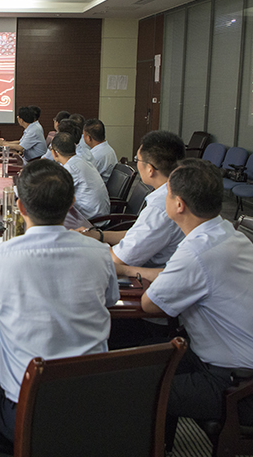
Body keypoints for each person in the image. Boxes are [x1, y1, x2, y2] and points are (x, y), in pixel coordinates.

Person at [117, 159, 253, 427]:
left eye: (167, 193)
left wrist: (129, 271)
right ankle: (160, 443)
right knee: (144, 354)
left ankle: (150, 444)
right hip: (248, 369)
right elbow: (180, 276)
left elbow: (150, 304)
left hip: (246, 389)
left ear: (179, 204)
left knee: (125, 387)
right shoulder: (223, 232)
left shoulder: (197, 251)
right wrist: (129, 270)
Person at [0, 159, 119, 443]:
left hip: (29, 411)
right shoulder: (100, 253)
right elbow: (111, 300)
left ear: (21, 207)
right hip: (94, 404)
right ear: (72, 203)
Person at [77, 130, 186, 348]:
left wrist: (78, 245)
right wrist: (98, 235)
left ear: (150, 169)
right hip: (153, 281)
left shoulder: (161, 206)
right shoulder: (172, 193)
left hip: (153, 305)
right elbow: (137, 234)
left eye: (138, 160)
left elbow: (118, 260)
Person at [49, 132, 110, 219]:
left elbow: (55, 195)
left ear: (55, 153)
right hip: (100, 214)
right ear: (75, 147)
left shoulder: (70, 168)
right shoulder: (82, 161)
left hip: (91, 220)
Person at [83, 119, 118, 183]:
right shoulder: (108, 149)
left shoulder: (94, 156)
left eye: (83, 135)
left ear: (89, 138)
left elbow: (84, 177)